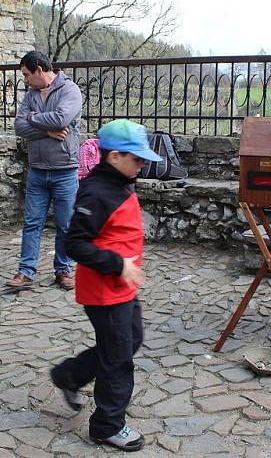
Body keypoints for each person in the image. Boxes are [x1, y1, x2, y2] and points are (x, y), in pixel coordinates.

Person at [49, 119, 161, 452]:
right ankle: (107, 425)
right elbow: (75, 244)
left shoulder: (119, 180)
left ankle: (70, 375)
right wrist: (118, 264)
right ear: (113, 157)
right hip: (104, 291)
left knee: (130, 341)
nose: (141, 166)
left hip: (121, 286)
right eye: (136, 159)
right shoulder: (98, 192)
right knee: (118, 360)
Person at [7, 50, 82, 291]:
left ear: (40, 69)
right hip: (38, 170)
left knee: (66, 223)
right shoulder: (31, 95)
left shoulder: (70, 90)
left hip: (64, 170)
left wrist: (33, 118)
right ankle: (26, 271)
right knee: (32, 223)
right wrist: (47, 130)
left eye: (27, 75)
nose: (26, 80)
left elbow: (61, 119)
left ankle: (63, 269)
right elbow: (19, 127)